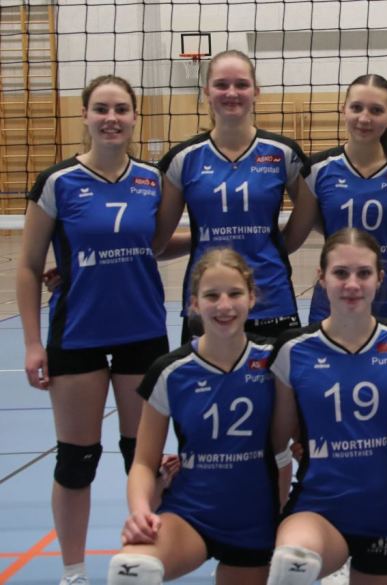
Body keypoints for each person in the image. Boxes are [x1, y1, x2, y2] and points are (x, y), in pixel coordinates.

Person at [16, 74, 169, 585]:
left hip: (142, 331)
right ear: (84, 115)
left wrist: (213, 241)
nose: (111, 118)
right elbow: (28, 266)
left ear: (134, 117)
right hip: (77, 333)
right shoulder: (58, 182)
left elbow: (155, 244)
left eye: (121, 109)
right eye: (101, 109)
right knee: (76, 460)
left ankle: (145, 562)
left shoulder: (152, 179)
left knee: (142, 458)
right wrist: (32, 344)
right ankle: (74, 572)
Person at [107, 249, 281, 584]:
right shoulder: (170, 372)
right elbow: (143, 461)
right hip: (190, 513)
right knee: (132, 570)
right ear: (194, 304)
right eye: (211, 296)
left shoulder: (275, 362)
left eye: (234, 294)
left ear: (252, 298)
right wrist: (140, 510)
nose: (224, 305)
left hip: (255, 520)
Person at [267, 228, 387, 585]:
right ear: (321, 277)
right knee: (292, 564)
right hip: (319, 505)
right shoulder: (294, 349)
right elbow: (277, 439)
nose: (352, 284)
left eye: (363, 273)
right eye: (340, 273)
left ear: (379, 278)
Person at [156, 49, 316, 343]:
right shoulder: (183, 159)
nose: (232, 93)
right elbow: (157, 242)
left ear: (256, 91)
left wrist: (271, 246)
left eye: (241, 84)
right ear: (207, 91)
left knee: (277, 374)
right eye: (221, 84)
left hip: (271, 298)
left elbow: (306, 218)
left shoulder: (283, 153)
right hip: (206, 303)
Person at [300, 74, 387, 324]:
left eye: (376, 110)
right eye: (356, 108)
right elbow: (306, 224)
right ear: (343, 110)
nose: (364, 118)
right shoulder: (318, 168)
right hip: (333, 296)